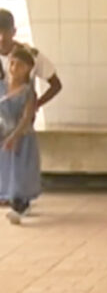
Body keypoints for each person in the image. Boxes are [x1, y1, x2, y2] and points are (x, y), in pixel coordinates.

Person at [0, 46, 41, 225]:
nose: (14, 68)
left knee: (21, 174)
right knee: (7, 172)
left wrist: (15, 136)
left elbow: (26, 118)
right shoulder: (2, 88)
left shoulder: (28, 92)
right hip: (4, 134)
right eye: (12, 63)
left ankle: (20, 206)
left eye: (20, 65)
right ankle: (14, 202)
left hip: (23, 137)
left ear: (28, 69)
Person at [0, 9, 62, 111]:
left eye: (6, 32)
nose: (1, 38)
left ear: (14, 32)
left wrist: (36, 105)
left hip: (23, 117)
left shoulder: (31, 55)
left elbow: (56, 85)